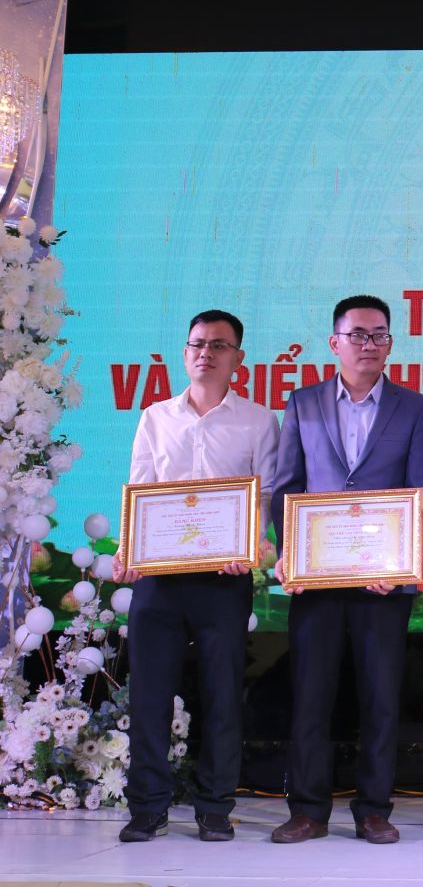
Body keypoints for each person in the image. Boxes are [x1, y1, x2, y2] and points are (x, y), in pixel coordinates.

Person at [269, 296, 423, 845]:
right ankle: (308, 811)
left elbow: (422, 493)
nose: (369, 344)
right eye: (358, 335)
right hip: (317, 578)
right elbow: (287, 487)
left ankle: (373, 810)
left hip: (383, 580)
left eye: (379, 335)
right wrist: (290, 552)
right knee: (311, 694)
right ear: (335, 343)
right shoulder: (304, 403)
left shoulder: (416, 408)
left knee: (381, 696)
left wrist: (399, 559)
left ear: (390, 344)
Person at [115, 310, 278, 843]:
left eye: (219, 345)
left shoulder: (259, 421)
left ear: (238, 358)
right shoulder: (155, 416)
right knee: (149, 696)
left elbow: (264, 495)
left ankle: (215, 806)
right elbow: (140, 489)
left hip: (223, 579)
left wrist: (249, 548)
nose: (207, 353)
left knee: (223, 694)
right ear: (186, 354)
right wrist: (128, 550)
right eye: (198, 344)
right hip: (158, 579)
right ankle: (148, 807)